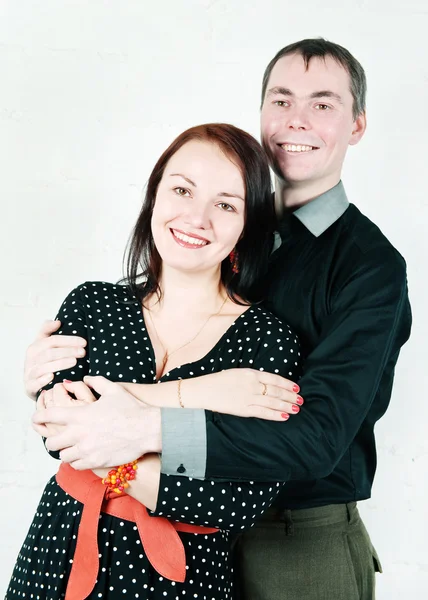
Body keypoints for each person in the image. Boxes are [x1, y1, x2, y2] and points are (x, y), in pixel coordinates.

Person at [25, 39, 412, 600]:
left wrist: (139, 425)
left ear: (357, 126)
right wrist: (45, 385)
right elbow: (111, 385)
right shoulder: (231, 230)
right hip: (186, 531)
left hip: (294, 539)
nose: (296, 119)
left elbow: (316, 439)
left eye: (323, 104)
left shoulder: (371, 267)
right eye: (281, 100)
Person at [7, 123, 304, 599]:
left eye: (225, 204)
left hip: (186, 580)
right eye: (182, 189)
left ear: (247, 225)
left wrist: (103, 448)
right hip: (56, 557)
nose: (197, 217)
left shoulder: (267, 343)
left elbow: (236, 501)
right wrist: (202, 400)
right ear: (155, 195)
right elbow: (59, 429)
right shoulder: (93, 305)